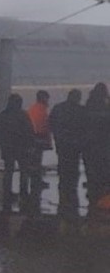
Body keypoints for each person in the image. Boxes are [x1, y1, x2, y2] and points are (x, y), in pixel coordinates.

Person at [0, 93, 38, 213]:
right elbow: (29, 131)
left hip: (7, 148)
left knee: (8, 171)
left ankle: (7, 192)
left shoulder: (1, 116)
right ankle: (23, 193)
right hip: (22, 148)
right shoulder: (23, 115)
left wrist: (2, 145)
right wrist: (31, 145)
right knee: (24, 171)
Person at [49, 88, 86, 220]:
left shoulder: (58, 108)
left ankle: (63, 188)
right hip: (75, 145)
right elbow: (85, 127)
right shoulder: (81, 110)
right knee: (73, 168)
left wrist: (57, 137)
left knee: (63, 165)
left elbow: (51, 123)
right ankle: (71, 190)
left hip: (62, 144)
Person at [82, 83, 110, 213]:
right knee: (104, 168)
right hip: (103, 143)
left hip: (89, 143)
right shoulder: (105, 107)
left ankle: (93, 190)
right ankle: (102, 192)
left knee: (91, 168)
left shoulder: (88, 106)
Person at [28, 90, 53, 187]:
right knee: (36, 161)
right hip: (38, 137)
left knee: (35, 161)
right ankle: (36, 181)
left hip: (34, 137)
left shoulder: (33, 109)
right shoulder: (41, 110)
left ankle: (36, 180)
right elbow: (44, 125)